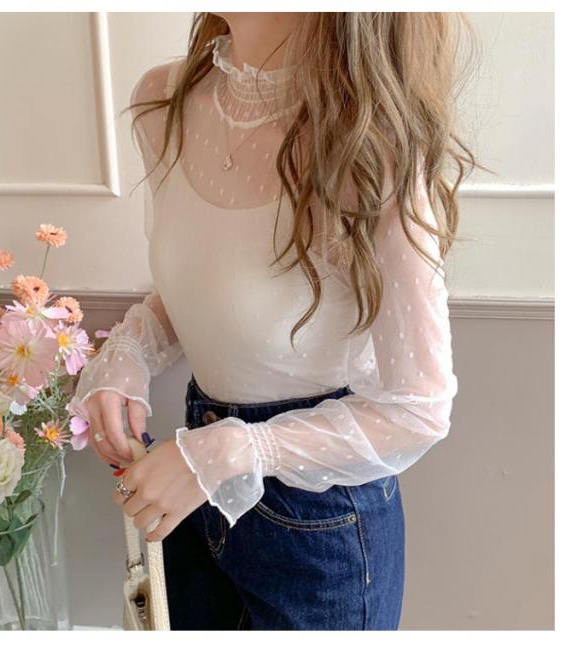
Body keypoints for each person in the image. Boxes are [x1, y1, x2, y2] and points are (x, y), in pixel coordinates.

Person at [72, 12, 479, 630]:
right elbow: (215, 285)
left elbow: (419, 408)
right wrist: (128, 353)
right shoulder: (164, 101)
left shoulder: (369, 143)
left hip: (319, 528)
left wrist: (232, 451)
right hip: (192, 493)